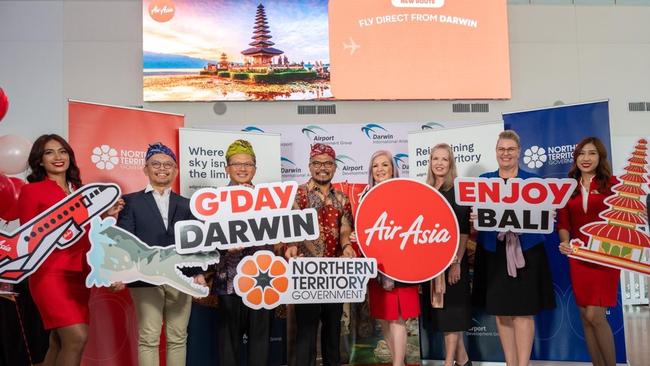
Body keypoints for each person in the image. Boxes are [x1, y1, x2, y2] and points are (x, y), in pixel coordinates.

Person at [17, 134, 123, 366]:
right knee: (77, 338)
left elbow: (88, 230)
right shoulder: (31, 191)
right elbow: (27, 239)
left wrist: (106, 214)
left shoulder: (82, 192)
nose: (58, 157)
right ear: (40, 161)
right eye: (49, 152)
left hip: (81, 274)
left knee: (58, 342)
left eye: (62, 151)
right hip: (49, 274)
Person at [113, 142, 204, 366]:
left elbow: (195, 243)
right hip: (145, 277)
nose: (162, 168)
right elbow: (125, 240)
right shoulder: (130, 201)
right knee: (149, 337)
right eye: (155, 164)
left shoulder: (188, 204)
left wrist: (198, 272)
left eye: (168, 164)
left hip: (180, 276)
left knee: (178, 338)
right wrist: (121, 272)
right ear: (146, 169)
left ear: (175, 171)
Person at [472, 130, 555, 366]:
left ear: (518, 152)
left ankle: (523, 363)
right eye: (501, 149)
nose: (505, 153)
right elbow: (477, 217)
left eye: (510, 149)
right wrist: (475, 218)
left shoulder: (534, 182)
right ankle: (510, 363)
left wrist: (548, 214)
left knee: (524, 311)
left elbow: (543, 219)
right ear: (496, 152)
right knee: (502, 311)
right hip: (494, 254)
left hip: (527, 253)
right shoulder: (484, 181)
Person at [285, 143, 356, 366]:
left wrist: (346, 247)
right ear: (309, 166)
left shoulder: (342, 199)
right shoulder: (298, 194)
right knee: (306, 331)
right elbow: (291, 226)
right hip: (306, 272)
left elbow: (345, 227)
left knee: (332, 330)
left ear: (334, 167)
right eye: (317, 163)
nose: (322, 168)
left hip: (334, 273)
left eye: (327, 163)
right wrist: (292, 245)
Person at [352, 150, 420, 366]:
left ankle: (399, 363)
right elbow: (365, 228)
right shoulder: (365, 196)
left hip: (400, 265)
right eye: (375, 166)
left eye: (385, 165)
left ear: (393, 169)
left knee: (397, 317)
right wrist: (358, 235)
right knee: (383, 317)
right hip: (377, 266)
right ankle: (397, 360)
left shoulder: (404, 192)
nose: (380, 169)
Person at [558, 137, 618, 366]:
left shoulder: (613, 184)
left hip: (605, 257)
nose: (586, 158)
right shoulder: (568, 187)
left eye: (592, 153)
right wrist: (566, 244)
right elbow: (563, 223)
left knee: (595, 315)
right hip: (578, 256)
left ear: (600, 157)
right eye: (582, 153)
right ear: (576, 158)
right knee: (585, 317)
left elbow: (623, 220)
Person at [212, 139, 270, 366]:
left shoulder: (270, 200)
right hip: (229, 280)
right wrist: (223, 246)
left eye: (248, 164)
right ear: (227, 168)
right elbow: (204, 241)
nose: (243, 169)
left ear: (255, 168)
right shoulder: (213, 201)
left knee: (260, 341)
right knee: (228, 344)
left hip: (263, 280)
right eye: (237, 164)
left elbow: (282, 234)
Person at [425, 144, 471, 366]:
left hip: (453, 262)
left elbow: (463, 230)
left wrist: (457, 263)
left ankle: (448, 362)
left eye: (444, 159)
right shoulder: (425, 190)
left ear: (451, 163)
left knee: (451, 317)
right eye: (435, 159)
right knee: (442, 317)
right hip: (432, 264)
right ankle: (463, 361)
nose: (439, 163)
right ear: (430, 162)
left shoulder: (458, 190)